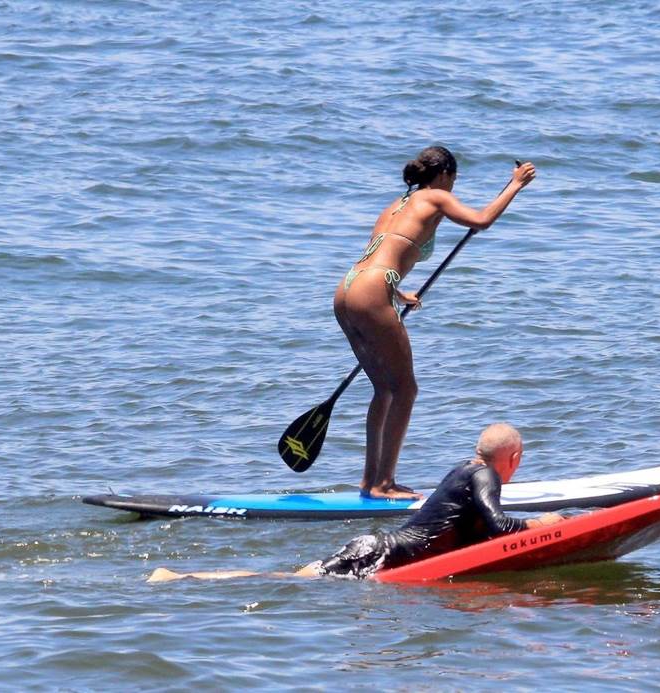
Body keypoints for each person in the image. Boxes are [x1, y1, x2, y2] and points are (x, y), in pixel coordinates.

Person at [334, 147, 537, 500]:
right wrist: (515, 185)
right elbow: (482, 220)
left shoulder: (396, 205)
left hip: (349, 288)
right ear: (443, 175)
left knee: (385, 389)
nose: (452, 189)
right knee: (406, 389)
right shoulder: (436, 196)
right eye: (454, 180)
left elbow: (379, 255)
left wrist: (397, 293)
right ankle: (384, 484)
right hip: (374, 292)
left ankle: (370, 482)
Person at [147, 423, 562, 583]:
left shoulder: (462, 470)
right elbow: (499, 528)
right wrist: (545, 525)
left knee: (292, 576)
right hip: (379, 554)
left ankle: (183, 577)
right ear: (514, 459)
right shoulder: (485, 475)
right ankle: (181, 578)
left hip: (378, 547)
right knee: (285, 579)